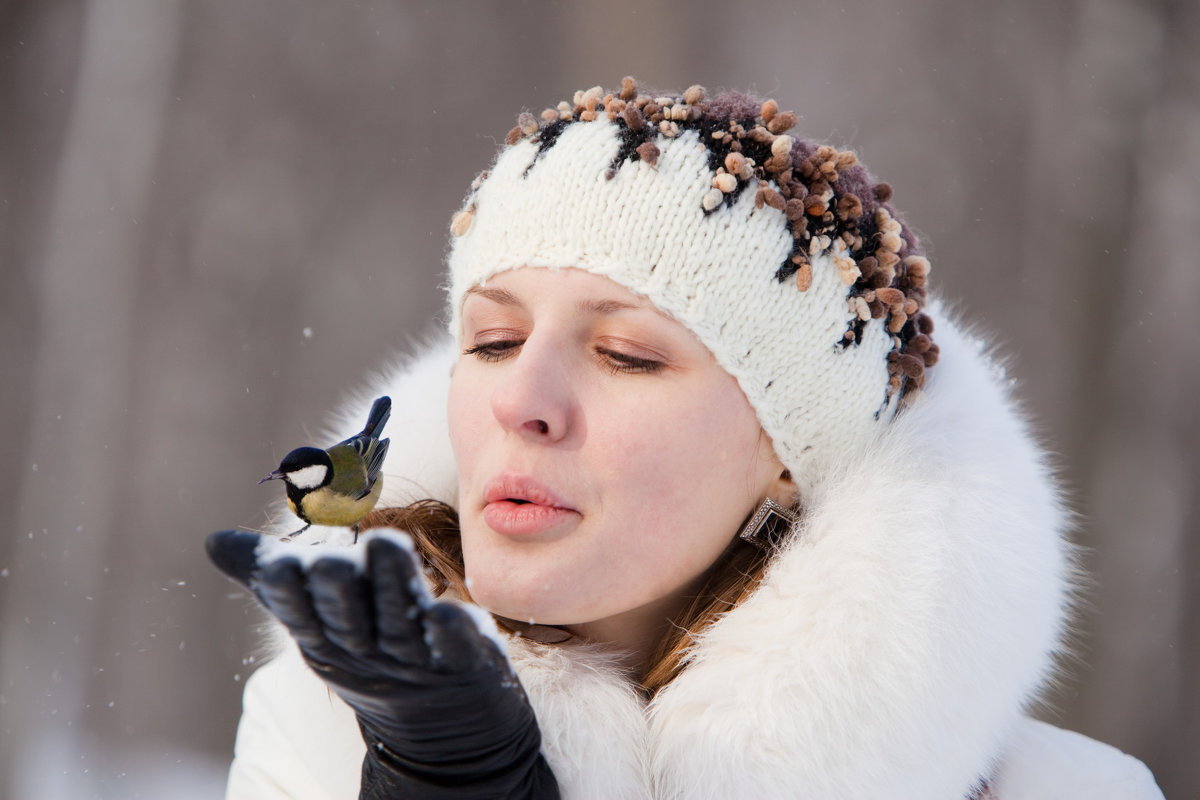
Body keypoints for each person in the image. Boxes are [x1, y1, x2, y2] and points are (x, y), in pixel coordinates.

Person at [208, 79, 1165, 799]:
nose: (523, 401)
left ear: (787, 459)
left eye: (626, 354)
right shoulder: (322, 734)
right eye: (493, 341)